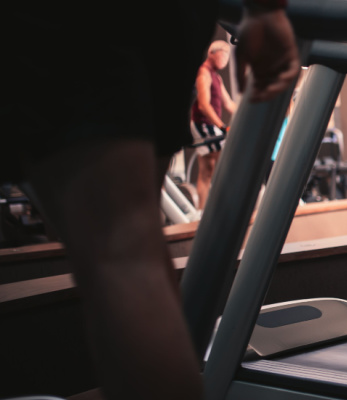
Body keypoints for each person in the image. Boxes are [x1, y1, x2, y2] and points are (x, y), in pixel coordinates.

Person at [6, 0, 300, 398]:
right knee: (134, 244)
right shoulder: (205, 65)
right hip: (177, 15)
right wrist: (266, 10)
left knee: (120, 251)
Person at [192, 40, 240, 209]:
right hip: (204, 124)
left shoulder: (216, 76)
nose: (226, 59)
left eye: (228, 55)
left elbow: (229, 104)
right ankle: (222, 207)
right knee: (226, 162)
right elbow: (203, 105)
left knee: (207, 170)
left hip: (210, 125)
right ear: (212, 53)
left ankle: (202, 211)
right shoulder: (204, 73)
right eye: (224, 54)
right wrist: (221, 126)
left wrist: (249, 116)